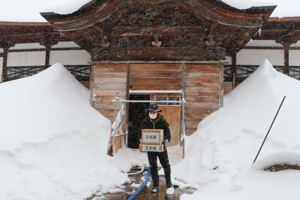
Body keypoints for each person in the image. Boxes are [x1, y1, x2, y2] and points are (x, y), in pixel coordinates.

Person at [139, 104, 174, 194]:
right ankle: (155, 185)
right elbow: (140, 132)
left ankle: (169, 184)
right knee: (153, 166)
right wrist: (141, 139)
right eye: (150, 112)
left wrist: (166, 139)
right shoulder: (145, 121)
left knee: (166, 165)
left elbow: (167, 133)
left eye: (153, 112)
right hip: (151, 148)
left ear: (157, 112)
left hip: (161, 148)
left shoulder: (162, 121)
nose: (152, 113)